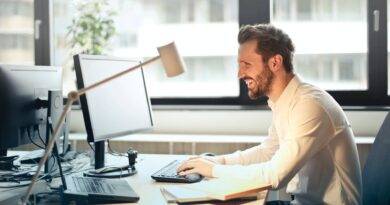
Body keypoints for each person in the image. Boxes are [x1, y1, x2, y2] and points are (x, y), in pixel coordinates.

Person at [177, 24, 362, 205]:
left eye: (246, 65)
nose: (240, 74)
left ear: (275, 62)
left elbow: (275, 176)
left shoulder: (310, 105)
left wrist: (213, 170)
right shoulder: (285, 101)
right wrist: (219, 161)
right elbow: (268, 152)